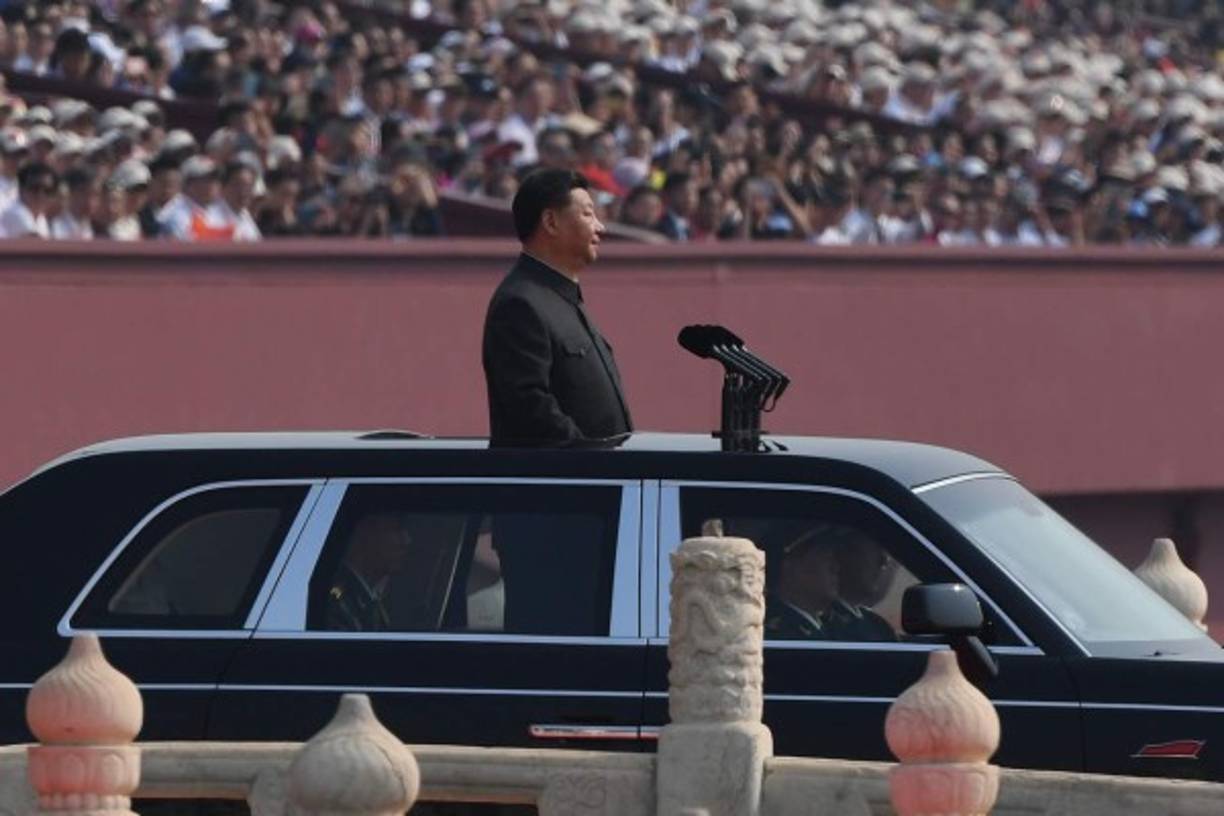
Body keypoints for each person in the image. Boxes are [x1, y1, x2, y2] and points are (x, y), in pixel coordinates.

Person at [482, 168, 632, 446]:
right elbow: (530, 409)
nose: (600, 227)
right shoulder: (520, 304)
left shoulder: (562, 298)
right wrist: (593, 460)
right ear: (550, 222)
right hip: (564, 483)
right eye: (588, 214)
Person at [323, 512, 413, 631]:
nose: (407, 540)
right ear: (366, 534)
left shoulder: (369, 600)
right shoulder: (336, 603)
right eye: (395, 530)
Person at [0, 162, 56, 239]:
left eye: (47, 190)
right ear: (20, 190)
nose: (41, 195)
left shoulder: (41, 218)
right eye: (35, 188)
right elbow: (37, 243)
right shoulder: (15, 213)